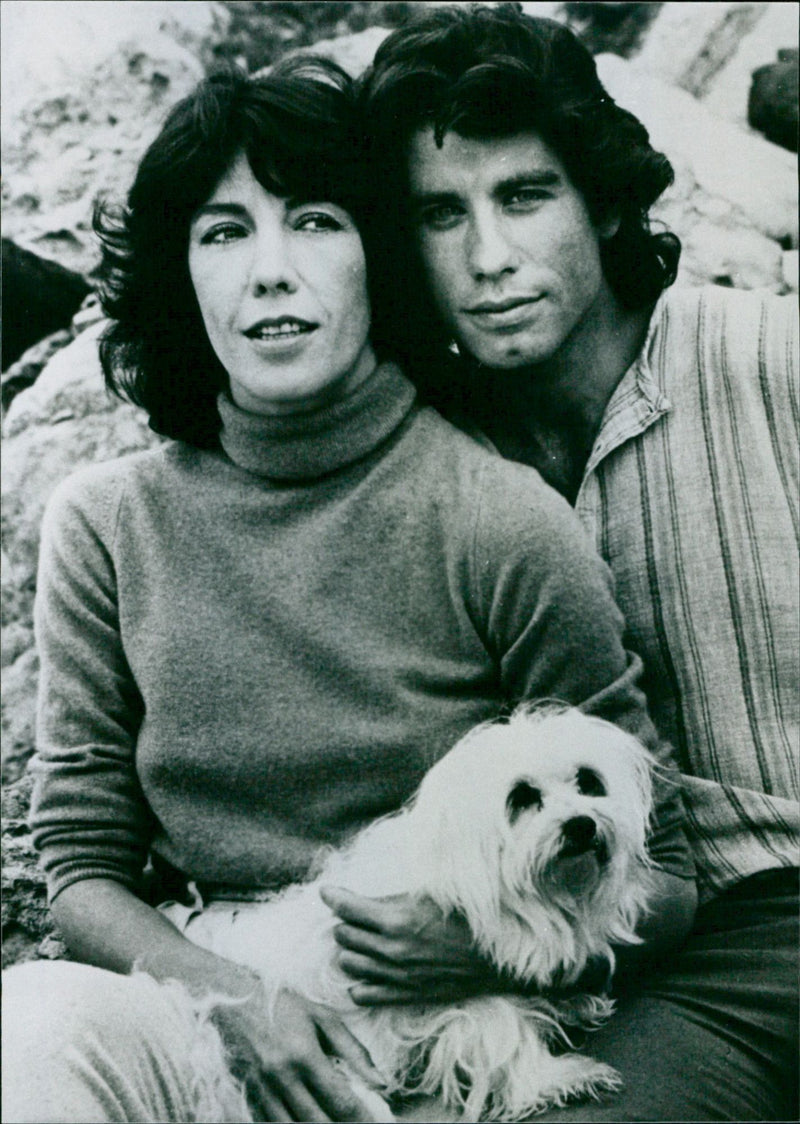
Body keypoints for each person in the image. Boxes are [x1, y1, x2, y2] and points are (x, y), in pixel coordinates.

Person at [1, 57, 695, 1124]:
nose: (269, 272)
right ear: (181, 277)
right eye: (223, 232)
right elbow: (83, 868)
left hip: (449, 1023)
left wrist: (480, 949)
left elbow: (666, 876)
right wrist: (234, 998)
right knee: (27, 1032)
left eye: (315, 221)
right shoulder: (107, 523)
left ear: (379, 257)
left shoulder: (497, 518)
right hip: (196, 997)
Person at [334, 4, 798, 1121]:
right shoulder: (426, 461)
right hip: (615, 953)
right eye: (440, 215)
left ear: (600, 201)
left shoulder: (770, 361)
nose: (487, 258)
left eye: (523, 197)